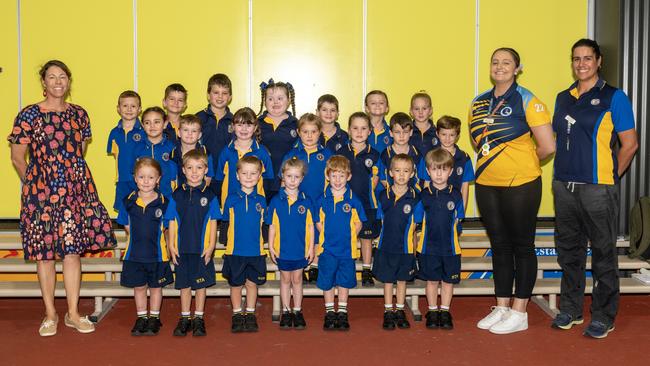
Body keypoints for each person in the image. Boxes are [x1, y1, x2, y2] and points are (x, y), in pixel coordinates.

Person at [8, 60, 116, 336]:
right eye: (51, 77)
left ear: (69, 81)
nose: (57, 82)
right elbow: (18, 158)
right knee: (44, 256)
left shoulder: (79, 114)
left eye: (62, 77)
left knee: (71, 253)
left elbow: (77, 152)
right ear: (43, 82)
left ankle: (73, 313)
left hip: (73, 192)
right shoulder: (28, 115)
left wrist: (66, 183)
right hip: (40, 195)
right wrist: (36, 184)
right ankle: (50, 314)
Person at [551, 38, 638, 339]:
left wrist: (610, 175)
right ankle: (571, 309)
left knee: (603, 254)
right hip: (563, 185)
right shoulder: (563, 97)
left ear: (599, 61)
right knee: (569, 253)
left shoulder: (615, 96)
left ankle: (603, 315)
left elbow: (630, 144)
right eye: (576, 58)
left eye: (588, 58)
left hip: (598, 189)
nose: (582, 63)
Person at [469, 47, 555, 334]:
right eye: (495, 62)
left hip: (521, 185)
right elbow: (479, 142)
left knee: (522, 247)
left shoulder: (529, 100)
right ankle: (503, 306)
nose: (500, 66)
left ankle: (520, 311)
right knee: (500, 247)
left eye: (507, 62)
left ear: (518, 68)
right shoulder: (478, 101)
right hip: (486, 184)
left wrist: (523, 163)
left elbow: (548, 147)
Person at [167, 149, 221, 337]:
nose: (194, 172)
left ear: (206, 170)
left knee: (200, 285)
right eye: (190, 168)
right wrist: (171, 245)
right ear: (183, 170)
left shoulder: (211, 195)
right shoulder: (176, 195)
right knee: (184, 285)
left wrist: (211, 245)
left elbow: (213, 221)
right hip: (182, 249)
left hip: (201, 249)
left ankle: (198, 317)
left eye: (199, 167)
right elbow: (172, 221)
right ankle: (184, 318)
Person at [117, 158, 174, 336]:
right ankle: (141, 317)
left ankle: (154, 318)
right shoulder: (128, 201)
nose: (146, 181)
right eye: (142, 177)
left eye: (151, 177)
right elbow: (126, 225)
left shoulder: (165, 202)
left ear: (158, 179)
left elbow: (168, 227)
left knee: (156, 288)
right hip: (134, 255)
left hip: (157, 256)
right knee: (139, 287)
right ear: (135, 178)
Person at [315, 156, 366, 331]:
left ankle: (342, 311)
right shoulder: (322, 199)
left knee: (344, 281)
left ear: (349, 177)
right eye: (334, 176)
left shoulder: (353, 200)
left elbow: (359, 223)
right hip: (327, 250)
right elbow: (318, 221)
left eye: (341, 176)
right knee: (327, 281)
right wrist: (326, 234)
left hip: (347, 251)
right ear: (327, 176)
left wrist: (350, 235)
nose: (337, 180)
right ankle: (330, 312)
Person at [416, 149, 464, 330]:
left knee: (448, 281)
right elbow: (418, 221)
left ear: (450, 172)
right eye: (435, 169)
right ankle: (432, 310)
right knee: (431, 281)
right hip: (429, 249)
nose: (438, 174)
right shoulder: (423, 195)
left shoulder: (456, 195)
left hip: (451, 249)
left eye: (443, 170)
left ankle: (444, 311)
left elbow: (458, 219)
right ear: (428, 171)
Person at [266, 158, 315, 329]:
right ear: (283, 178)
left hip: (300, 249)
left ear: (302, 179)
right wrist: (271, 246)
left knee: (298, 279)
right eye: (289, 176)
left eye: (296, 177)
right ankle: (286, 311)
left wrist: (311, 248)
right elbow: (272, 226)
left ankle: (297, 310)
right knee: (285, 280)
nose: (292, 180)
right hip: (283, 249)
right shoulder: (275, 201)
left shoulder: (306, 200)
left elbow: (310, 227)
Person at [336, 112, 384, 286]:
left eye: (363, 128)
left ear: (370, 131)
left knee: (366, 238)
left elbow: (376, 179)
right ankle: (343, 267)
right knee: (345, 235)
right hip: (344, 204)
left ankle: (366, 269)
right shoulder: (341, 153)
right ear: (348, 130)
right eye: (355, 128)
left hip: (367, 204)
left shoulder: (375, 155)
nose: (359, 132)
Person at [222, 156, 268, 333]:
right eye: (244, 173)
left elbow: (265, 225)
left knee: (251, 284)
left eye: (253, 173)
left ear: (259, 176)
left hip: (256, 252)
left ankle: (250, 313)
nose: (248, 177)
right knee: (235, 284)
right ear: (237, 175)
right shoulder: (231, 199)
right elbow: (225, 222)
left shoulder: (262, 201)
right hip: (235, 251)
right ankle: (236, 314)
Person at [214, 107, 274, 245]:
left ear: (255, 128)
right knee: (232, 244)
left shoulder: (262, 152)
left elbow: (269, 181)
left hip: (256, 207)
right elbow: (218, 180)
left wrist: (266, 204)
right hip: (232, 206)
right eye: (240, 124)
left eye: (248, 124)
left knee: (255, 242)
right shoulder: (226, 152)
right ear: (233, 127)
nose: (244, 129)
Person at [373, 154, 420, 330]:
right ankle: (388, 311)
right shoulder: (383, 195)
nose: (401, 175)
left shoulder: (416, 197)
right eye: (398, 171)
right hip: (386, 247)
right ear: (390, 173)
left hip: (406, 249)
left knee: (401, 280)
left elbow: (416, 226)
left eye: (406, 171)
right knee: (387, 281)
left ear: (412, 173)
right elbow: (381, 220)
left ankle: (400, 310)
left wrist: (415, 250)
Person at [418, 116, 474, 208]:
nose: (447, 138)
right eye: (444, 134)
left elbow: (465, 186)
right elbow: (426, 183)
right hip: (433, 206)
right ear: (437, 133)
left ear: (457, 136)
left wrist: (462, 209)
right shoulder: (429, 156)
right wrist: (425, 207)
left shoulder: (464, 158)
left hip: (454, 206)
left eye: (451, 135)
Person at [257, 79, 299, 198]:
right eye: (270, 99)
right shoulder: (257, 124)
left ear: (288, 101)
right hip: (262, 180)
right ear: (265, 102)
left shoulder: (296, 124)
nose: (275, 102)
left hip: (289, 182)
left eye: (280, 98)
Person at [281, 113, 333, 204]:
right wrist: (282, 201)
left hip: (321, 203)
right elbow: (283, 181)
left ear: (320, 132)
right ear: (299, 132)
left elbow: (334, 180)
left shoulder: (327, 155)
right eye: (305, 132)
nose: (309, 136)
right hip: (296, 204)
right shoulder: (291, 155)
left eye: (313, 132)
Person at [107, 90, 144, 212]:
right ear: (118, 108)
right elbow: (115, 155)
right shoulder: (114, 133)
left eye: (133, 106)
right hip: (122, 179)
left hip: (141, 179)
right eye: (125, 106)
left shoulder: (144, 131)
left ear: (139, 109)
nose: (129, 109)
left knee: (140, 210)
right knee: (123, 211)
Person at [134, 107, 177, 198]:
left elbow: (176, 174)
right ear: (142, 125)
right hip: (144, 198)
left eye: (156, 122)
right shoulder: (137, 148)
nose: (152, 126)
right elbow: (133, 173)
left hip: (167, 196)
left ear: (165, 124)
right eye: (147, 122)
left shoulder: (172, 147)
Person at [379, 112, 422, 189]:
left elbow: (421, 177)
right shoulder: (385, 154)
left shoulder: (417, 154)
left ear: (411, 132)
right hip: (392, 195)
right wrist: (395, 191)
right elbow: (383, 178)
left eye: (405, 132)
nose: (401, 136)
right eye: (397, 132)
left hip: (413, 197)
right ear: (391, 133)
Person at [169, 114, 214, 187]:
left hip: (200, 192)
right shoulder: (174, 154)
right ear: (179, 133)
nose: (189, 133)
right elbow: (173, 179)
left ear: (199, 135)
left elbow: (209, 176)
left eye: (194, 131)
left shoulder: (205, 152)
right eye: (186, 130)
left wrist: (202, 191)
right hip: (181, 193)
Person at [197, 73, 234, 160]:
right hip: (201, 170)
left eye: (224, 93)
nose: (220, 96)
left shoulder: (234, 121)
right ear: (208, 95)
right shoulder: (198, 118)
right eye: (216, 92)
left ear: (230, 97)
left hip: (226, 170)